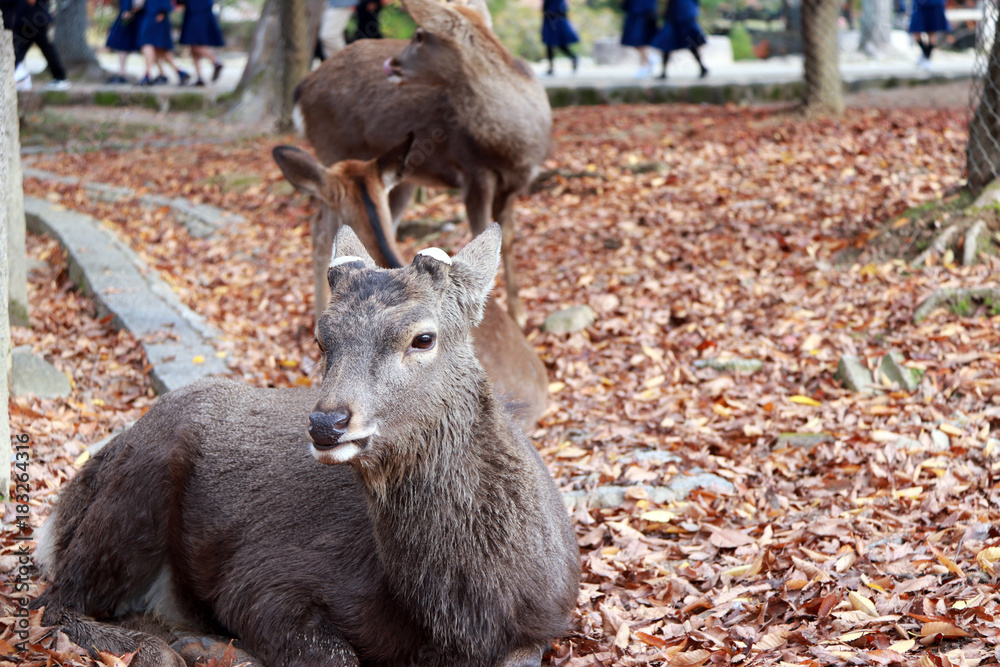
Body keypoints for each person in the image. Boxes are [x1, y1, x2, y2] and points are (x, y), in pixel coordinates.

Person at [9, 0, 70, 90]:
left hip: (34, 20)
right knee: (16, 51)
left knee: (46, 50)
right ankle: (60, 77)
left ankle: (60, 78)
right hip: (26, 20)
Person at [136, 0, 190, 85]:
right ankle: (179, 72)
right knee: (160, 49)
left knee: (147, 44)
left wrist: (162, 11)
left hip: (156, 16)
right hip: (152, 15)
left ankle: (147, 75)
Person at [651, 0, 708, 80]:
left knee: (690, 44)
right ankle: (663, 71)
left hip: (683, 15)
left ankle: (702, 67)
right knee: (667, 44)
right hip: (676, 15)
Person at [179, 0, 224, 85]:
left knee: (195, 44)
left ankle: (216, 62)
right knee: (193, 46)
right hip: (201, 11)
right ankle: (199, 77)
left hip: (195, 12)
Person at [105, 0, 141, 84]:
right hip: (128, 13)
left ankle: (149, 74)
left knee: (146, 45)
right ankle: (121, 73)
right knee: (122, 44)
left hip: (131, 15)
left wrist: (127, 9)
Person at [621, 0, 658, 77]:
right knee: (633, 40)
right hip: (633, 12)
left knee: (639, 40)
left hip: (643, 13)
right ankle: (649, 59)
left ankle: (644, 66)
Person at [541, 0, 578, 76]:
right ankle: (551, 67)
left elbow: (563, 11)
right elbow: (544, 9)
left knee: (561, 45)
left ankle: (573, 57)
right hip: (550, 22)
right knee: (549, 45)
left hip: (557, 22)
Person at [909, 0, 948, 69]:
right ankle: (925, 54)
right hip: (920, 6)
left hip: (934, 6)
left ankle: (927, 57)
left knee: (931, 33)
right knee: (916, 33)